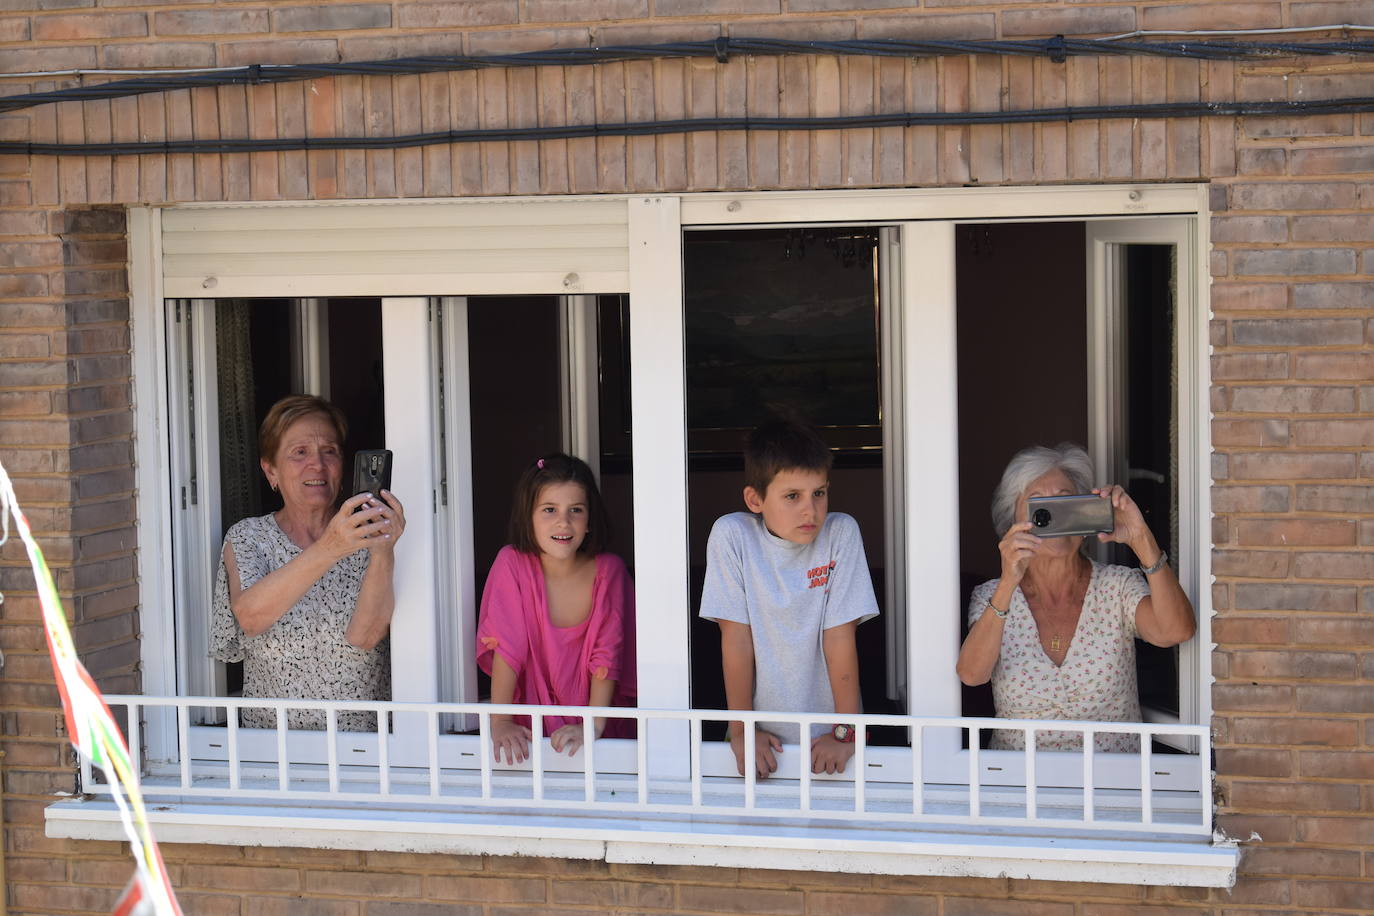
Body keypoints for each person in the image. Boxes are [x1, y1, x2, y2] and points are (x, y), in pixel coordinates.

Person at [955, 443, 1196, 751]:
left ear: (1086, 515)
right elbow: (972, 674)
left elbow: (1176, 631)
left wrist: (1141, 539)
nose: (1053, 518)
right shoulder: (992, 596)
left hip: (1114, 786)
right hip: (1017, 785)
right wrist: (1008, 582)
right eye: (1040, 508)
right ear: (1011, 521)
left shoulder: (1117, 586)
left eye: (1065, 504)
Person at [211, 395, 406, 731]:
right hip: (272, 751)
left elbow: (366, 636)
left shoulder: (366, 536)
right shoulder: (249, 537)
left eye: (329, 451)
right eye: (299, 453)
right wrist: (331, 546)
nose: (317, 465)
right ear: (270, 470)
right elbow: (251, 617)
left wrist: (382, 549)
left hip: (360, 749)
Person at [699, 421, 880, 779]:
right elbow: (736, 641)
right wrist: (742, 731)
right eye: (792, 496)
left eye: (819, 493)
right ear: (755, 500)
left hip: (835, 737)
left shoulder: (840, 533)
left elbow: (840, 638)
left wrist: (846, 734)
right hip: (757, 736)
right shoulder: (732, 536)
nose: (810, 510)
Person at [476, 453, 637, 764]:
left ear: (590, 519)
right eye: (549, 510)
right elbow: (508, 650)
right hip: (527, 733)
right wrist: (501, 722)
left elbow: (607, 656)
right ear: (528, 516)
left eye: (575, 510)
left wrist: (591, 726)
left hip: (598, 725)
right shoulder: (512, 563)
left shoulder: (610, 571)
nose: (563, 522)